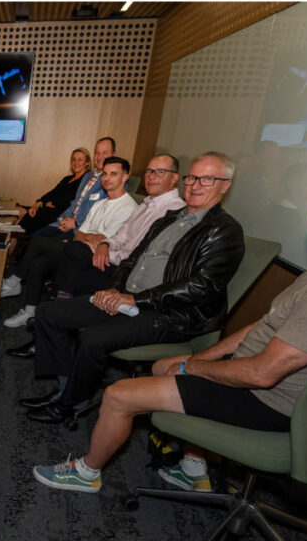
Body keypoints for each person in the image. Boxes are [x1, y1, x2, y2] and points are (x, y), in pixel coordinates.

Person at [33, 161, 307, 494]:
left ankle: (86, 472)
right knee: (162, 366)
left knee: (118, 395)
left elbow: (262, 373)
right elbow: (266, 323)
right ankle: (193, 466)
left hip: (270, 401)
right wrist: (197, 359)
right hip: (286, 389)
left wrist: (192, 366)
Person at [20, 152, 246, 425]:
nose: (196, 185)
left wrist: (137, 299)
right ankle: (67, 387)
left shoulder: (225, 231)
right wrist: (115, 289)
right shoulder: (170, 217)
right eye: (193, 177)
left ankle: (69, 403)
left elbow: (201, 287)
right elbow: (131, 258)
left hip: (170, 315)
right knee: (49, 313)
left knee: (92, 338)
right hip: (130, 298)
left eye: (207, 179)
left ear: (225, 185)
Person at [2, 156, 138, 329]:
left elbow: (103, 242)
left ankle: (14, 281)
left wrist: (90, 238)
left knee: (38, 242)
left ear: (125, 177)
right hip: (77, 250)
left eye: (113, 174)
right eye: (104, 174)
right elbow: (80, 233)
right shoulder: (100, 204)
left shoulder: (128, 207)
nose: (107, 178)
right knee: (38, 263)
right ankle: (30, 310)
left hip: (96, 260)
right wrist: (88, 237)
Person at [0, 137, 115, 299]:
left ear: (113, 154)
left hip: (81, 230)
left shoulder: (110, 181)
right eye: (97, 152)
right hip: (65, 221)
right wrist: (63, 218)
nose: (100, 156)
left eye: (105, 153)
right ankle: (20, 284)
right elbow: (75, 203)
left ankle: (16, 281)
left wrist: (74, 222)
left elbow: (99, 214)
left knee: (38, 246)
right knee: (36, 238)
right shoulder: (89, 176)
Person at [14, 147, 91, 235]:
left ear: (87, 163)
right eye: (73, 159)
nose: (76, 162)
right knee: (16, 211)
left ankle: (12, 242)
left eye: (80, 160)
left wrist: (53, 203)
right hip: (47, 208)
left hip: (57, 214)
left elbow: (71, 200)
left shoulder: (85, 181)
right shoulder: (67, 179)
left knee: (18, 224)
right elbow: (52, 193)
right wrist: (38, 203)